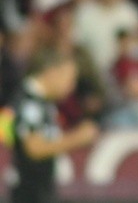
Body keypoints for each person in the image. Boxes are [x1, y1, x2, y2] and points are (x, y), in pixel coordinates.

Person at [10, 49, 99, 203]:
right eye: (69, 78)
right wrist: (77, 138)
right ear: (51, 72)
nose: (71, 86)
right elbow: (33, 148)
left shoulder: (43, 103)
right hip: (30, 194)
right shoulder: (30, 103)